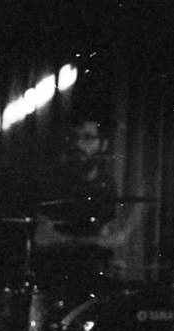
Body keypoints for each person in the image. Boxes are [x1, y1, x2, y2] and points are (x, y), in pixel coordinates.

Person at [31, 114, 146, 284]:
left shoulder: (106, 184)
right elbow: (42, 238)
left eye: (88, 138)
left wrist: (111, 258)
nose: (78, 144)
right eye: (75, 137)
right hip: (55, 278)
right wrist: (100, 242)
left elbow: (104, 230)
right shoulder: (54, 182)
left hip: (90, 277)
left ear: (103, 145)